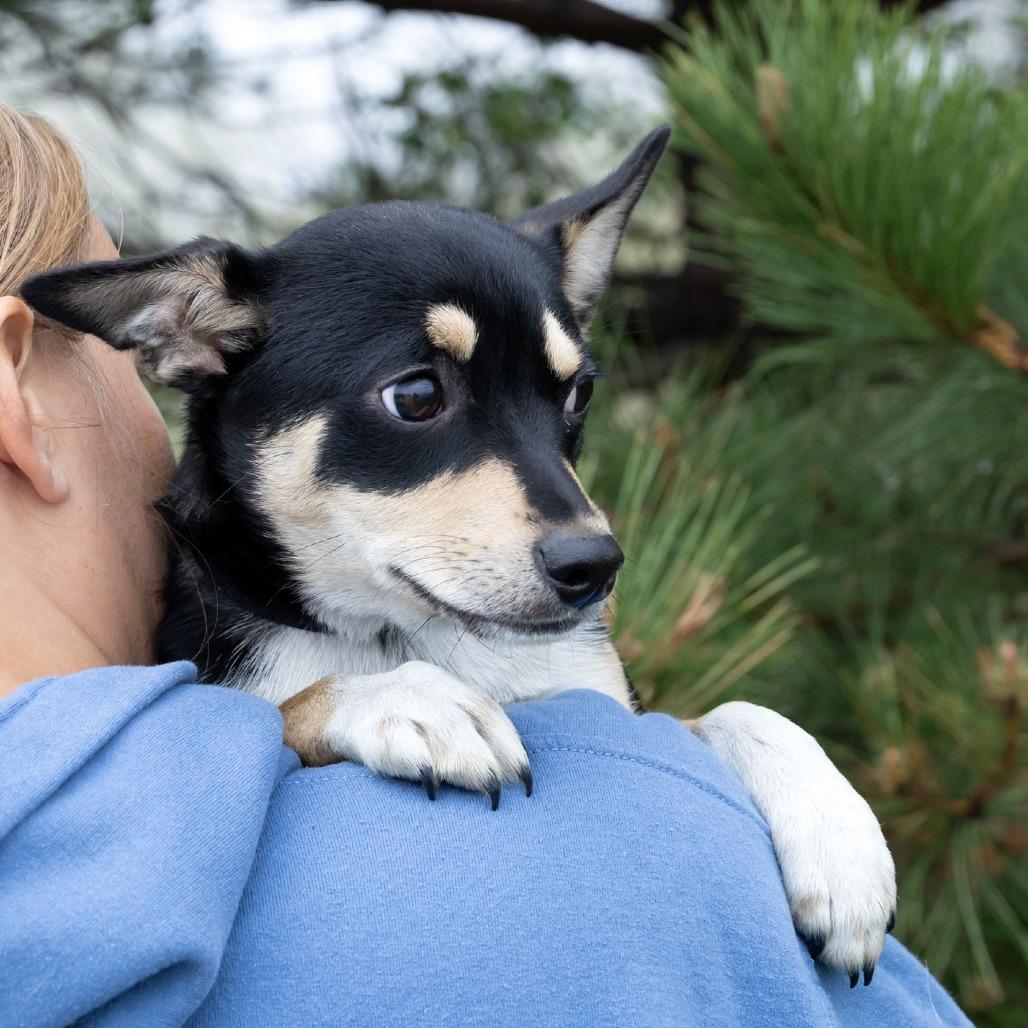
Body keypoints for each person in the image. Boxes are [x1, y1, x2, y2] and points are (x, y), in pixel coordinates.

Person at [0, 106, 969, 1027]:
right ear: (190, 339)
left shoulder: (81, 810)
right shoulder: (203, 722)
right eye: (418, 396)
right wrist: (325, 711)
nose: (573, 525)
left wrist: (759, 746)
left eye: (561, 398)